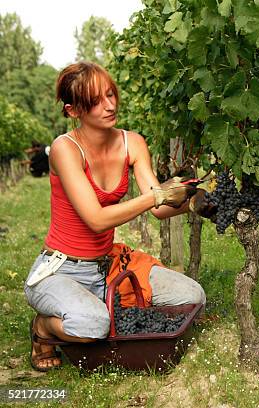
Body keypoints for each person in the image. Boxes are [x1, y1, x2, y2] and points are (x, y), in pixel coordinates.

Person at [23, 62, 213, 371]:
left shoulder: (132, 143)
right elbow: (96, 219)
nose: (110, 106)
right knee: (93, 325)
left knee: (192, 295)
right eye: (96, 101)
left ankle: (100, 304)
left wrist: (192, 201)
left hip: (107, 266)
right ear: (73, 111)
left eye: (111, 95)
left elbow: (159, 208)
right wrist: (157, 195)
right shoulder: (64, 149)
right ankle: (43, 329)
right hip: (61, 270)